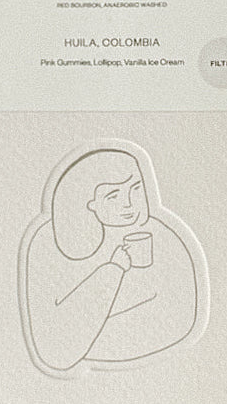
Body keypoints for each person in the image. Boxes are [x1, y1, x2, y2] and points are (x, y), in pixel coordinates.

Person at [20, 146, 203, 374]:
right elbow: (55, 349)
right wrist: (113, 269)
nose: (128, 203)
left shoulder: (159, 233)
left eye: (136, 189)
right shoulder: (49, 241)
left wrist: (86, 333)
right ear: (88, 203)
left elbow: (178, 314)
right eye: (113, 195)